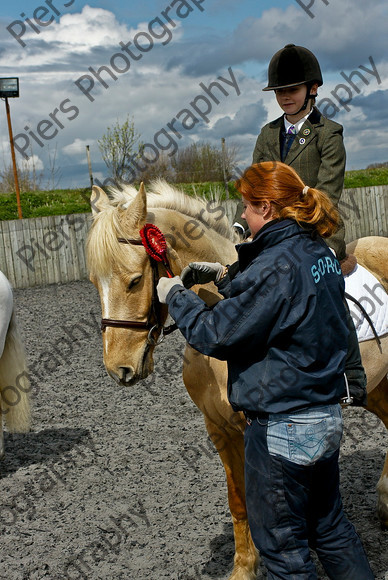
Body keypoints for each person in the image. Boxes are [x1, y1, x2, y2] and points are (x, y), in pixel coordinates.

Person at [157, 162, 374, 579]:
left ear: (268, 208)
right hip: (324, 417)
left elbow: (217, 333)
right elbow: (279, 300)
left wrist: (177, 295)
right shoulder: (319, 253)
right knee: (331, 529)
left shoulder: (277, 265)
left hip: (282, 430)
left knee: (283, 553)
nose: (242, 217)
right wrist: (225, 275)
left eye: (247, 208)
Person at [233, 44, 347, 263]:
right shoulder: (267, 134)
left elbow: (327, 196)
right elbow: (252, 188)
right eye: (279, 91)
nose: (285, 97)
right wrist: (240, 225)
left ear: (312, 89)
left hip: (317, 229)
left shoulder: (329, 134)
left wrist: (290, 231)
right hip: (270, 233)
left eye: (292, 90)